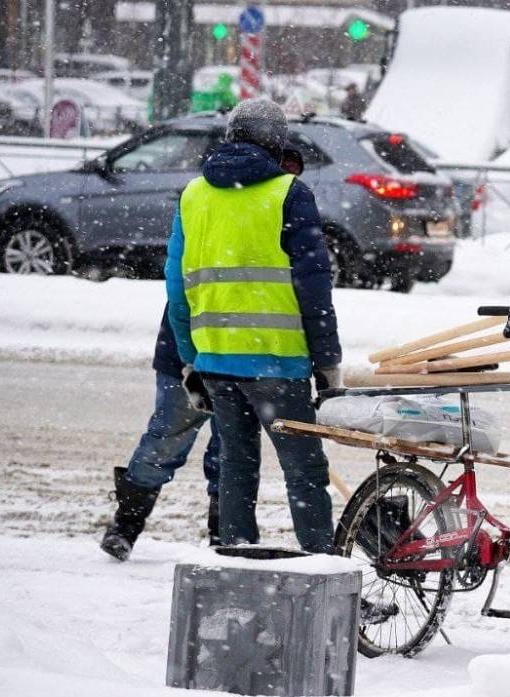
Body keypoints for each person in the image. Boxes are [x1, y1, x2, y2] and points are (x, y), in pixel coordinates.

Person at [165, 98, 343, 554]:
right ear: (276, 142)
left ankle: (238, 567)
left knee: (235, 471)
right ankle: (323, 570)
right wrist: (327, 361)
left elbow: (177, 287)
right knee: (304, 475)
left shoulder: (193, 196)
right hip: (278, 364)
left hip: (218, 364)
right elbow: (313, 284)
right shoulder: (288, 192)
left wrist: (189, 361)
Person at [100, 307, 222, 561]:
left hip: (243, 356)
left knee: (231, 452)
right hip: (190, 351)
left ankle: (226, 536)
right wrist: (189, 358)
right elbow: (178, 288)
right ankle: (126, 524)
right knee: (166, 442)